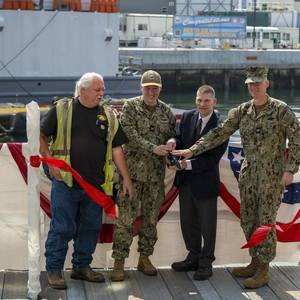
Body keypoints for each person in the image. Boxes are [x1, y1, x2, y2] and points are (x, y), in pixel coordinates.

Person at [173, 66, 300, 289]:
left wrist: (290, 170)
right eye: (250, 84)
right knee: (248, 220)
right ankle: (254, 260)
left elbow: (297, 139)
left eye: (258, 83)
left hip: (272, 177)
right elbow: (219, 133)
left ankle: (263, 269)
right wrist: (192, 150)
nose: (253, 87)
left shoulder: (281, 110)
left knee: (265, 222)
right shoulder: (242, 110)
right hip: (249, 174)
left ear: (267, 84)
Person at [40, 72, 133, 289]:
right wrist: (51, 162)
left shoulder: (109, 116)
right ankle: (54, 271)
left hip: (96, 186)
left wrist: (126, 179)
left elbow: (118, 149)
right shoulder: (62, 109)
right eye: (97, 89)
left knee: (91, 227)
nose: (102, 93)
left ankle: (82, 267)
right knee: (62, 228)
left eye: (102, 89)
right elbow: (40, 135)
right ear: (82, 90)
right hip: (66, 182)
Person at [110, 70, 176, 281]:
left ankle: (144, 258)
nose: (151, 91)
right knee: (125, 221)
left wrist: (173, 142)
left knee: (150, 221)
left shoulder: (166, 110)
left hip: (155, 178)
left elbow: (173, 133)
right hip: (132, 176)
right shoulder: (130, 107)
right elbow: (129, 134)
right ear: (141, 88)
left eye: (154, 88)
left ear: (160, 89)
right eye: (147, 87)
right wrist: (152, 148)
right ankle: (119, 262)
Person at [167, 85, 228, 280]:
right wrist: (172, 141)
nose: (202, 104)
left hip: (205, 182)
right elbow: (179, 138)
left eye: (206, 101)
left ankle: (206, 262)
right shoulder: (187, 117)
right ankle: (193, 256)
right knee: (188, 222)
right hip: (185, 182)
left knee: (208, 226)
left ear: (214, 102)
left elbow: (212, 158)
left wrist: (187, 165)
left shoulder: (221, 126)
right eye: (199, 100)